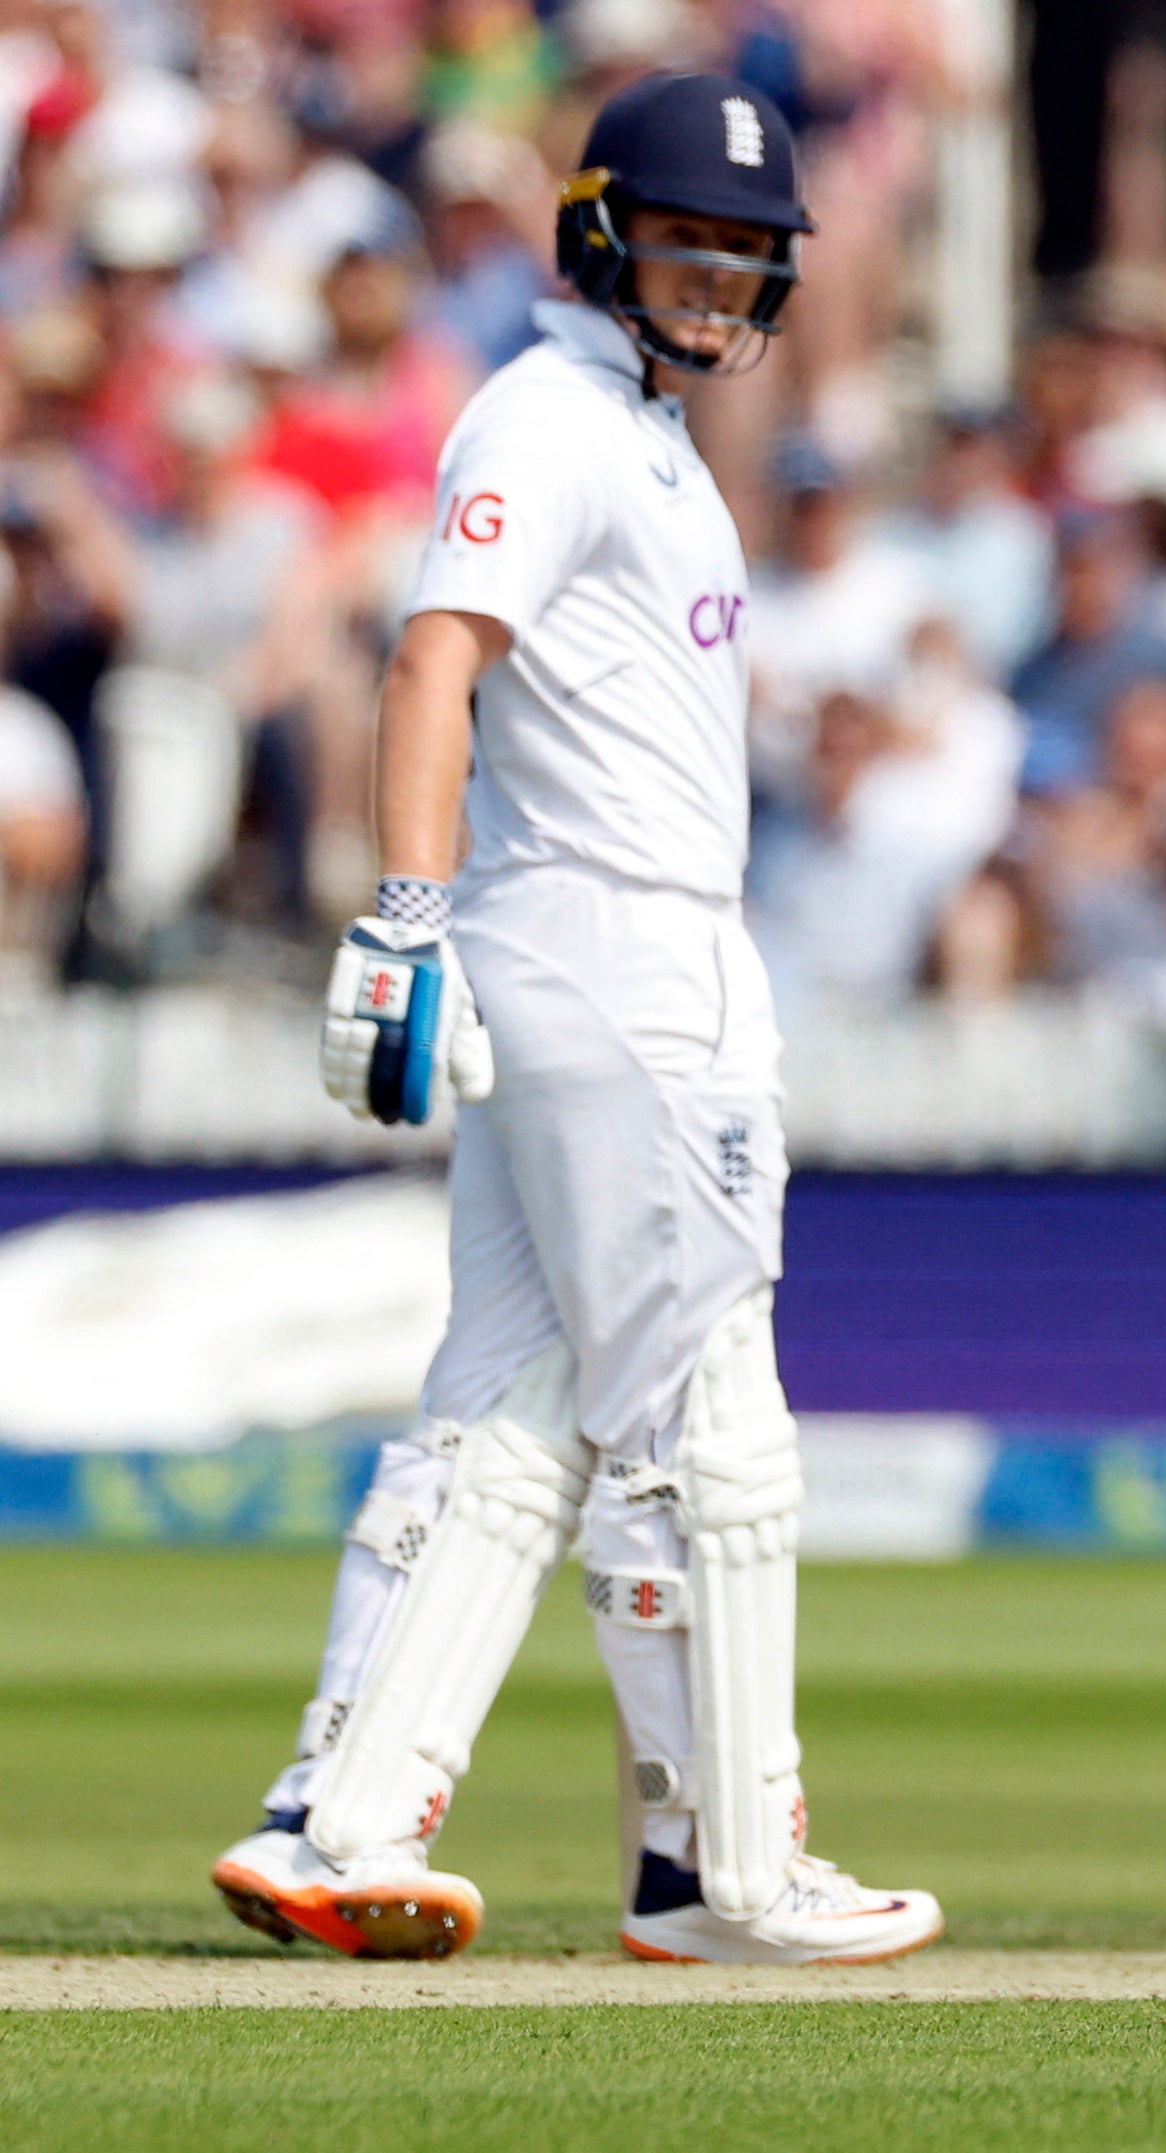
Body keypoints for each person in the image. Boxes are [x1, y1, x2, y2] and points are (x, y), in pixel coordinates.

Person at [208, 73, 940, 1969]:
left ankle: (339, 1822)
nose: (716, 284)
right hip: (620, 966)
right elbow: (437, 649)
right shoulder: (552, 414)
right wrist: (403, 909)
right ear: (605, 230)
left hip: (603, 956)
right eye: (689, 243)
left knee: (507, 1414)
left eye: (748, 257)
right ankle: (736, 1871)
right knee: (711, 1430)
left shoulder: (644, 427)